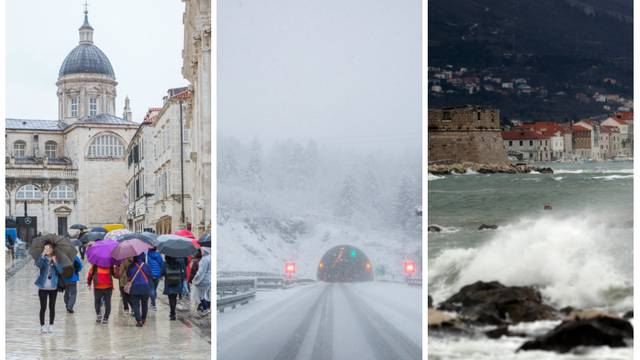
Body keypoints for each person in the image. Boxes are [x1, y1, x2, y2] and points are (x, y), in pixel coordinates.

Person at [34, 242, 63, 334]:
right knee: (43, 307)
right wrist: (42, 255)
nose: (47, 250)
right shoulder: (43, 258)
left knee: (52, 307)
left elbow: (60, 271)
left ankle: (51, 325)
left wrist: (54, 262)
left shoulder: (56, 258)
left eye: (48, 248)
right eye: (45, 248)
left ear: (52, 249)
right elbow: (38, 265)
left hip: (53, 288)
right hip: (43, 287)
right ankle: (42, 326)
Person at [126, 254, 152, 327]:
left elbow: (128, 276)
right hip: (145, 288)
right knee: (145, 305)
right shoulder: (146, 266)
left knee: (136, 305)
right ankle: (143, 319)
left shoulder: (131, 266)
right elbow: (150, 275)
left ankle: (139, 321)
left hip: (134, 288)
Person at [161, 256, 186, 320]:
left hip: (169, 283)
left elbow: (162, 273)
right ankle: (173, 312)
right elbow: (182, 273)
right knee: (174, 298)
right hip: (177, 283)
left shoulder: (165, 264)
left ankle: (172, 313)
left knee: (171, 298)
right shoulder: (178, 263)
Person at [192, 248, 211, 313]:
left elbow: (201, 272)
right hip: (209, 279)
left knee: (201, 295)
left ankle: (206, 309)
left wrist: (195, 279)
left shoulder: (205, 259)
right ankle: (207, 307)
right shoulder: (210, 258)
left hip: (204, 280)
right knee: (207, 295)